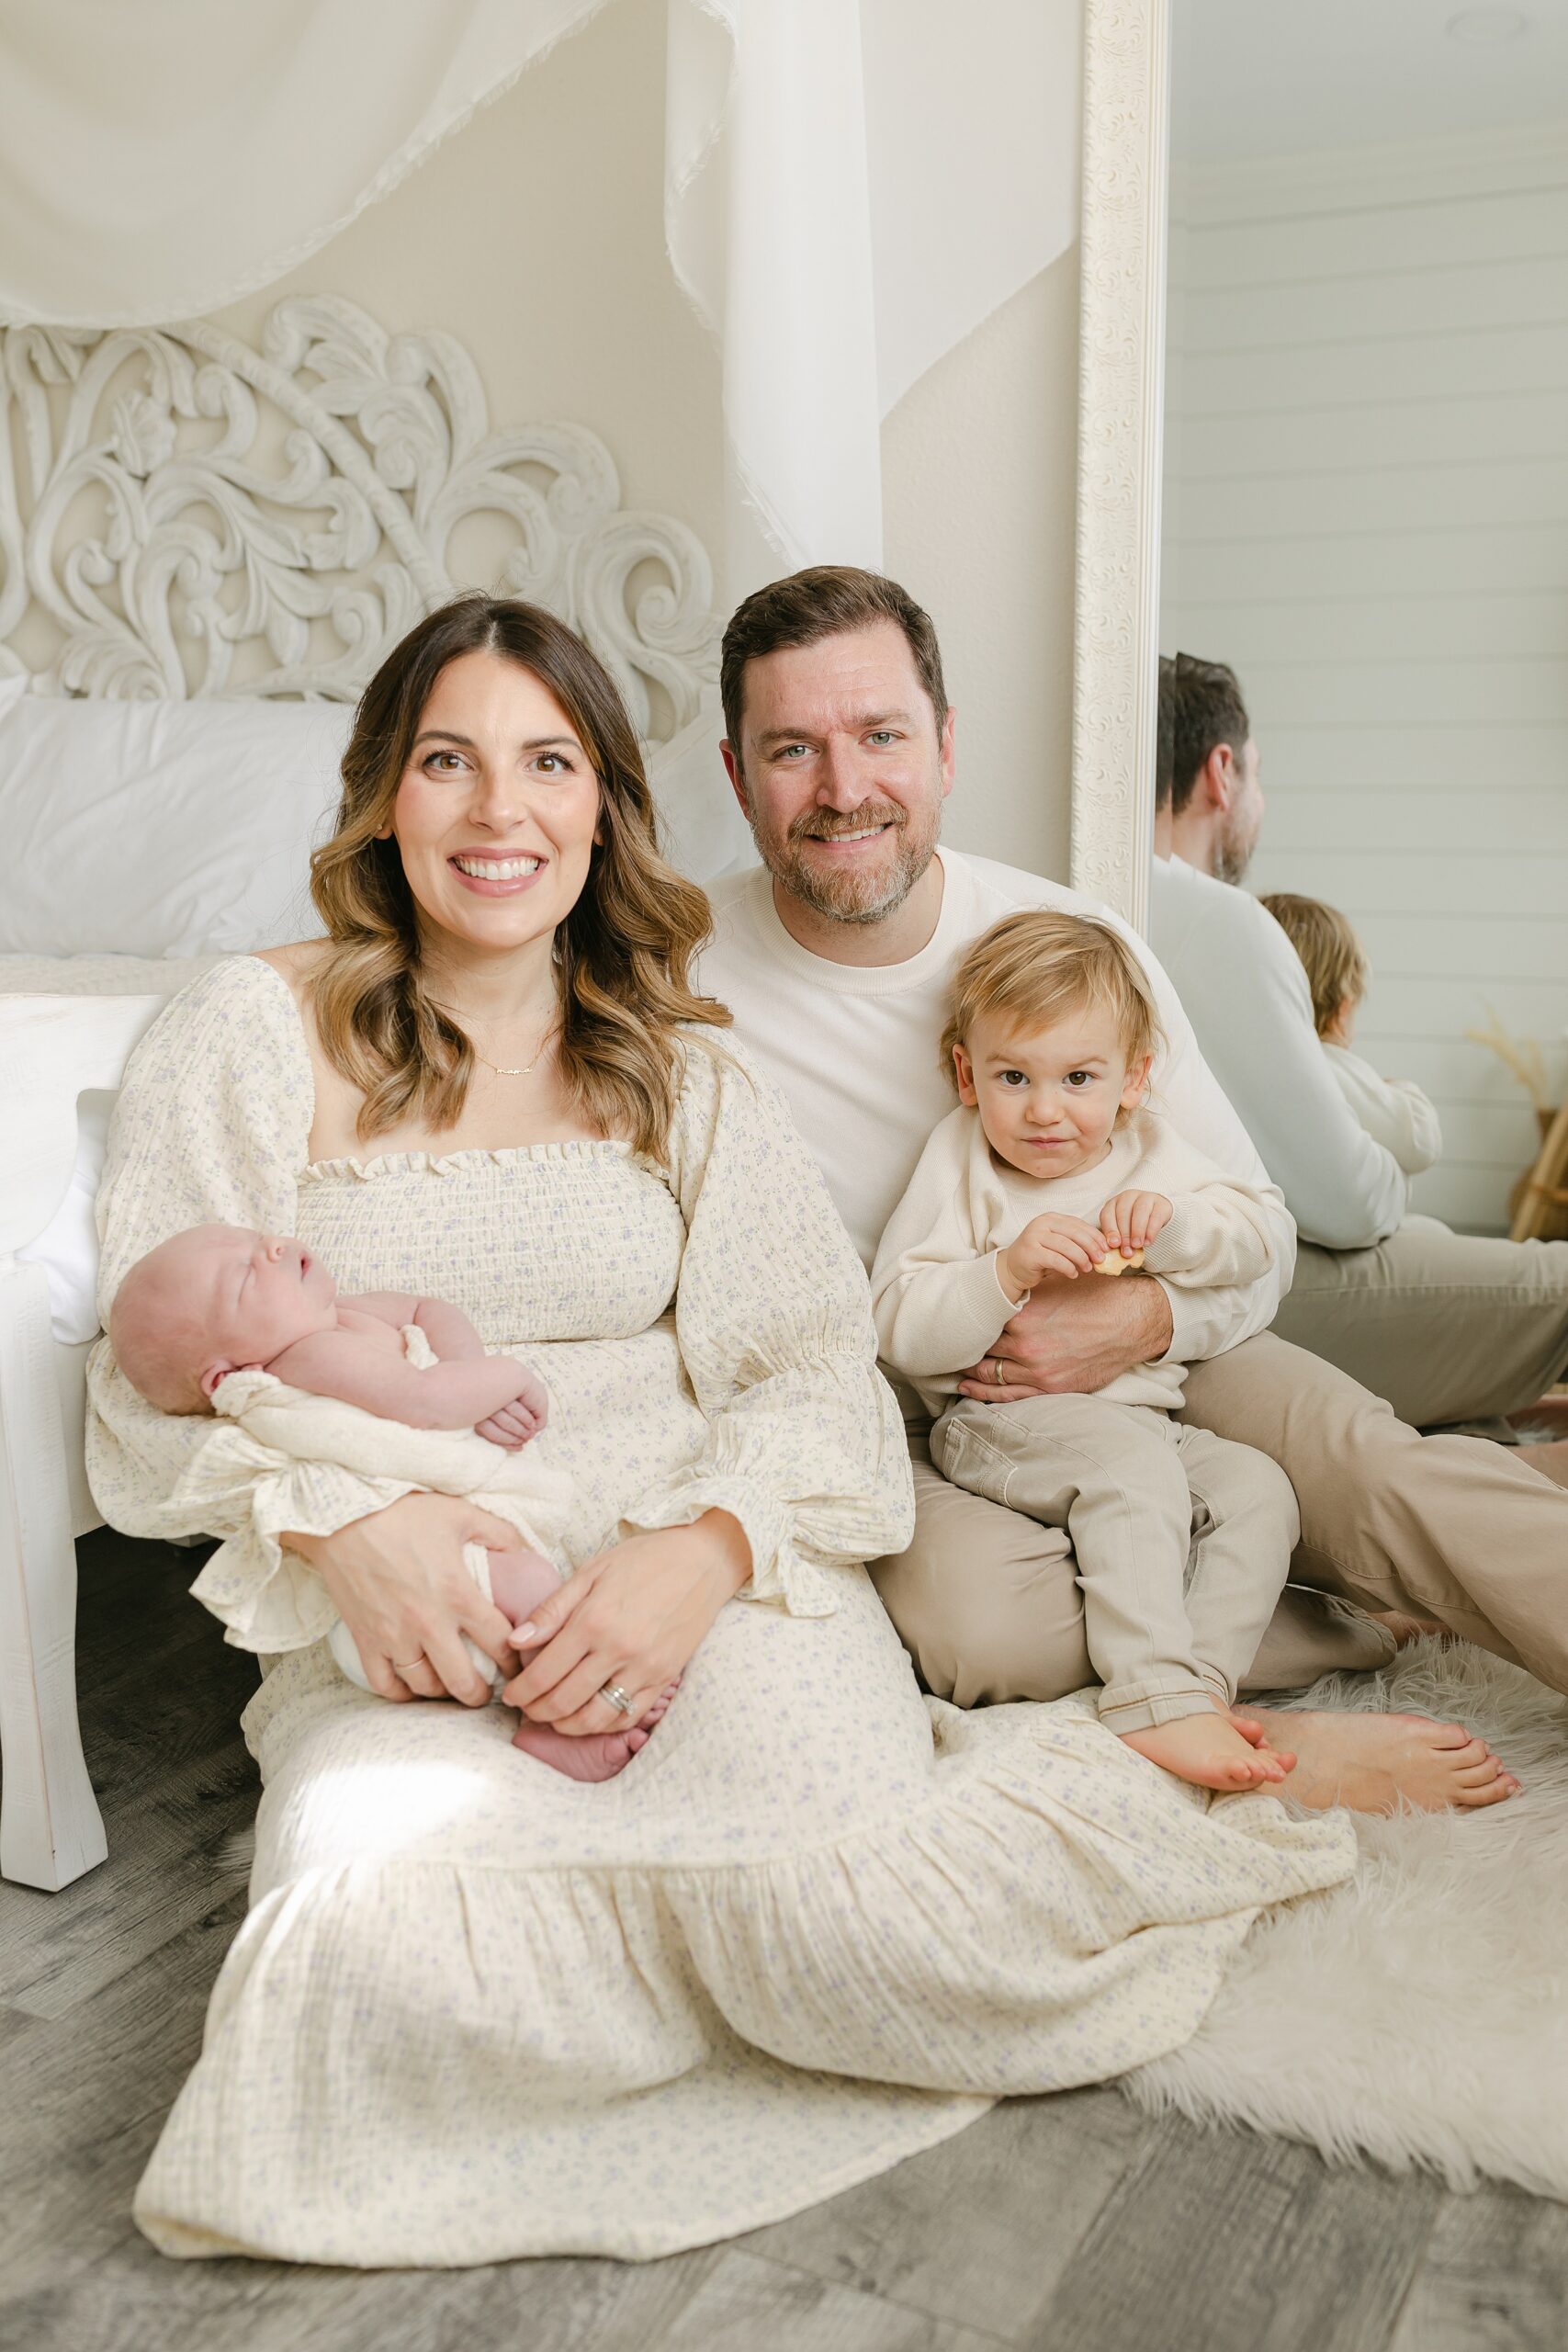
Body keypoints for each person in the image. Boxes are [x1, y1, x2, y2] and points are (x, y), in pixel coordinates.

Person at [89, 594, 1356, 2267]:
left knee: (872, 1922)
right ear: (381, 794)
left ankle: (1165, 1772)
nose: (497, 811)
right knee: (375, 1936)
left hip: (712, 1556)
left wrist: (702, 1556)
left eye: (546, 763)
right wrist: (347, 1531)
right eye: (446, 762)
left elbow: (815, 1369)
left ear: (605, 804)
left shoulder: (678, 1065)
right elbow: (140, 1377)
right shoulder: (246, 1029)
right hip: (416, 1598)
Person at [699, 562, 1560, 1802]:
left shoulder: (1066, 939)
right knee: (974, 1632)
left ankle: (1372, 1576)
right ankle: (1315, 1644)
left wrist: (1143, 1314)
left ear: (942, 747)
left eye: (879, 735)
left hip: (1163, 1345)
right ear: (736, 774)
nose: (844, 790)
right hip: (919, 1408)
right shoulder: (672, 973)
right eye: (791, 749)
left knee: (1368, 1475)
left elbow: (1256, 1227)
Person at [873, 910, 1315, 1794]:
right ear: (967, 1075)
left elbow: (1256, 1236)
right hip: (998, 1419)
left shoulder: (1155, 1154)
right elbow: (896, 1322)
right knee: (1128, 1476)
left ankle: (1194, 1691)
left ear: (1133, 1079)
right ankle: (1150, 1690)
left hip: (1141, 1422)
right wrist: (1001, 1271)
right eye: (1012, 1076)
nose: (1044, 1110)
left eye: (1078, 1076)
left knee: (1256, 1494)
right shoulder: (961, 1162)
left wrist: (1178, 1228)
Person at [1150, 653, 1568, 1445]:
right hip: (1249, 1287)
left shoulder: (1094, 895)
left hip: (1189, 1267)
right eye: (1259, 778)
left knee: (1460, 1343)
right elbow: (1353, 1205)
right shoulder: (1218, 925)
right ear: (1221, 771)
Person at [107, 1220, 675, 1781]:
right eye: (242, 1277)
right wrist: (505, 1378)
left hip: (421, 1572)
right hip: (405, 1600)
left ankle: (568, 1690)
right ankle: (556, 1721)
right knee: (531, 1587)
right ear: (227, 1375)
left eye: (255, 1239)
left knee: (541, 1583)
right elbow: (423, 1402)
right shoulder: (306, 1357)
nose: (272, 1248)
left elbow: (429, 1311)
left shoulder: (342, 1318)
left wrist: (465, 1371)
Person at [1258, 890, 1442, 1193]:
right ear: (1343, 1009)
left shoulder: (1246, 1060)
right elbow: (1422, 1139)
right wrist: (1396, 1087)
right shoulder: (1328, 1065)